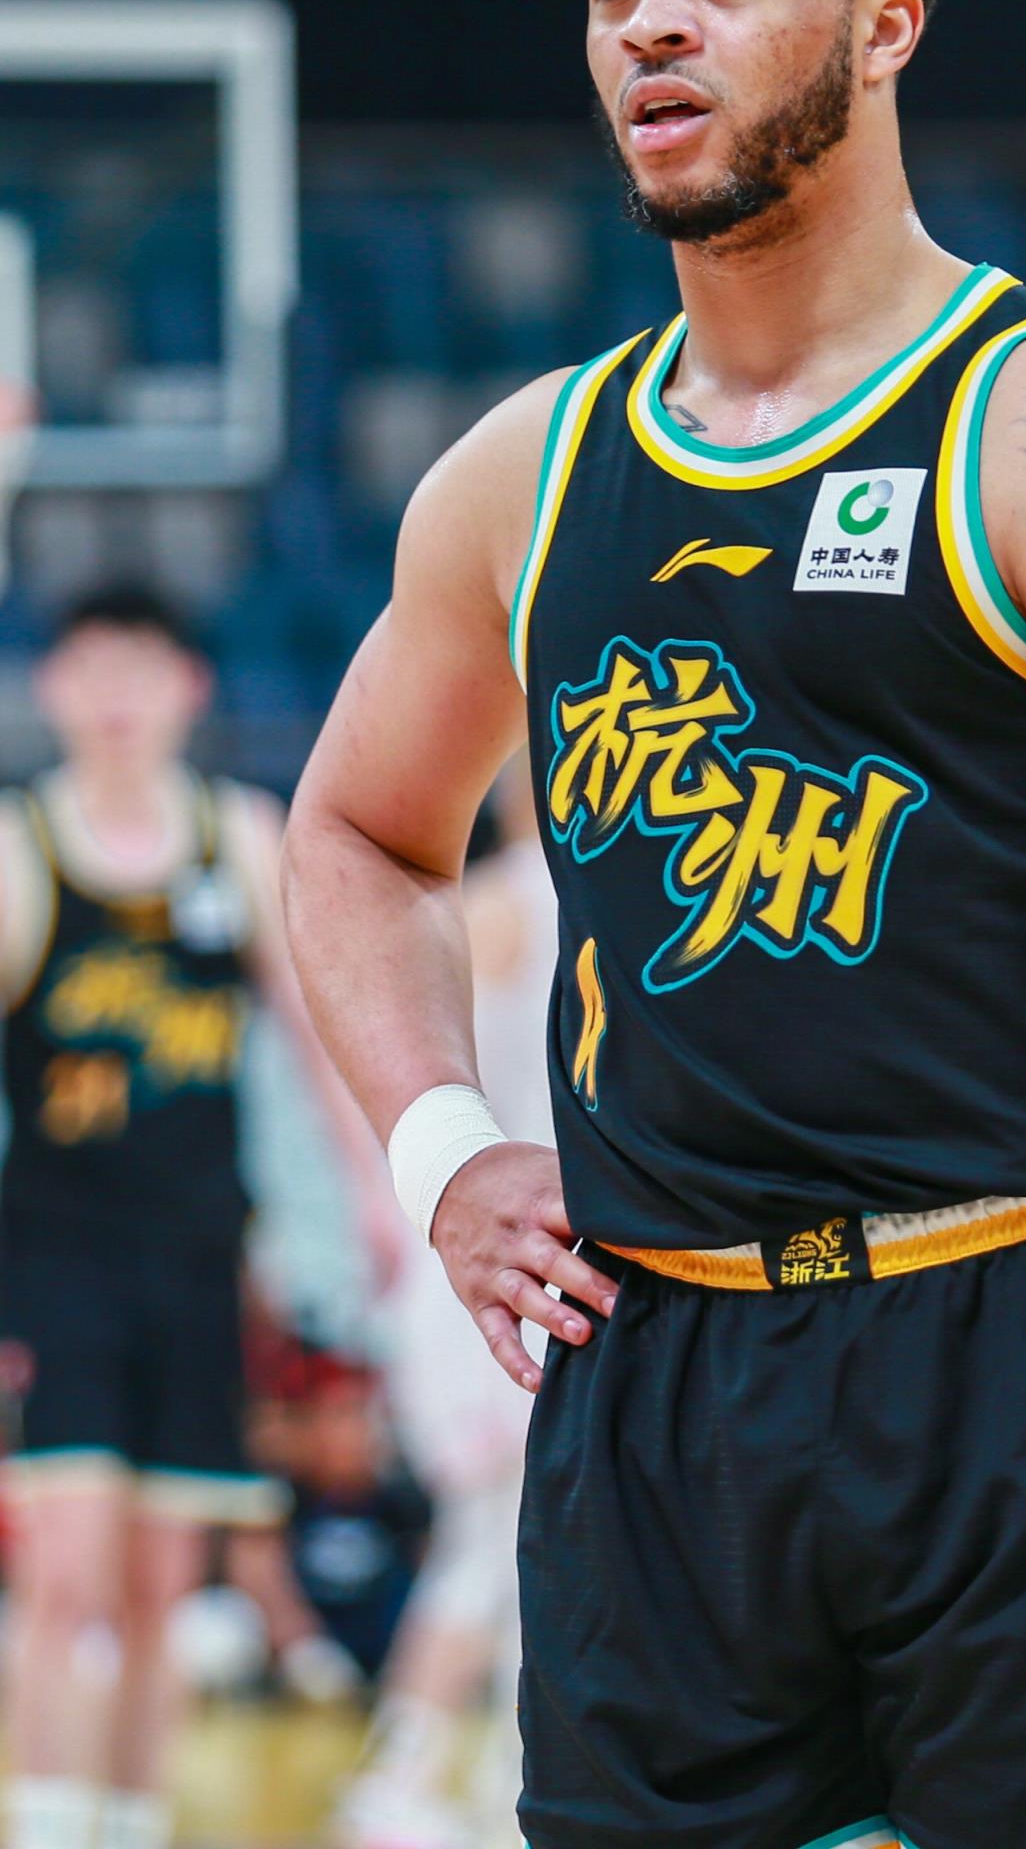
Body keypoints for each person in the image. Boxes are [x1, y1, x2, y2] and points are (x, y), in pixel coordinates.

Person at [283, 0, 1026, 1849]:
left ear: (882, 29)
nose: (650, 24)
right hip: (654, 1386)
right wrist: (442, 1145)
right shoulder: (524, 474)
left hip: (1019, 1357)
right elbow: (351, 837)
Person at [0, 583, 369, 1849]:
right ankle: (50, 1826)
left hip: (204, 1257)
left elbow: (317, 1034)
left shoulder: (237, 837)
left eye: (141, 667)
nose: (116, 695)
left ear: (188, 689)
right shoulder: (21, 848)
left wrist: (379, 1189)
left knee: (164, 1586)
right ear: (52, 687)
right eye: (91, 666)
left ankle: (132, 1824)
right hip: (55, 1259)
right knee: (67, 1573)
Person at [335, 763, 555, 1849]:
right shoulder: (530, 905)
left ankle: (502, 1773)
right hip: (509, 1260)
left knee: (527, 1544)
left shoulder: (492, 906)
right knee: (496, 1542)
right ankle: (404, 1771)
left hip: (482, 1252)